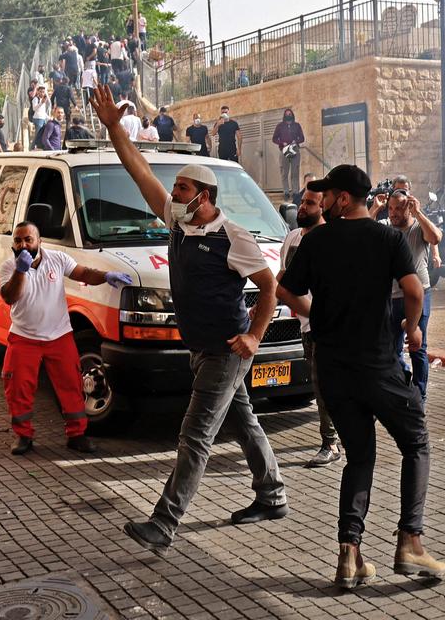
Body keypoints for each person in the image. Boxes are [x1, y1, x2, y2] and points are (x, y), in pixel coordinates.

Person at [88, 86, 289, 551]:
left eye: (181, 187)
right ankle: (272, 494)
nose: (172, 193)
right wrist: (115, 129)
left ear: (203, 196)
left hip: (226, 350)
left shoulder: (232, 236)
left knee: (194, 435)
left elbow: (270, 285)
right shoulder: (179, 222)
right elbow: (139, 174)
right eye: (175, 187)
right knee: (244, 422)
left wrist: (254, 337)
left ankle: (164, 522)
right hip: (200, 347)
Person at [276, 164, 445, 589]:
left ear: (345, 198)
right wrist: (412, 328)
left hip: (334, 371)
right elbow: (414, 291)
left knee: (360, 457)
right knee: (417, 443)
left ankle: (350, 557)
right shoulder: (387, 238)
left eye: (327, 194)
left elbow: (283, 289)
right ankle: (410, 541)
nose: (323, 201)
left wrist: (318, 313)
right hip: (378, 366)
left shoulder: (316, 241)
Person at [0, 221, 132, 454]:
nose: (23, 244)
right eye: (18, 240)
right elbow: (10, 297)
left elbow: (84, 273)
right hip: (24, 337)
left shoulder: (57, 259)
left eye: (28, 239)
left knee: (71, 385)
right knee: (17, 387)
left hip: (59, 335)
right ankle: (23, 436)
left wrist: (106, 275)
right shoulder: (9, 267)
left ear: (39, 241)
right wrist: (21, 270)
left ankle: (77, 435)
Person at [278, 188, 341, 468]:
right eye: (302, 201)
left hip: (329, 326)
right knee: (322, 387)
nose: (303, 207)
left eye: (310, 203)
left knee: (326, 385)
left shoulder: (333, 239)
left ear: (323, 207)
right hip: (306, 325)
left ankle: (331, 442)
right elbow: (281, 279)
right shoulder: (292, 238)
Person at [386, 190, 442, 403]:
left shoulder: (418, 228)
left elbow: (436, 237)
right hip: (391, 297)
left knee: (418, 347)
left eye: (399, 208)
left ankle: (420, 397)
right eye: (391, 208)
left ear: (408, 207)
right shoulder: (387, 231)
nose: (394, 213)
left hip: (419, 296)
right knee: (392, 349)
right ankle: (405, 382)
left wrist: (419, 213)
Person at [272, 109, 305, 200]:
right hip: (284, 150)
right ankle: (286, 192)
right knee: (284, 172)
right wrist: (282, 142)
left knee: (295, 172)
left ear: (292, 115)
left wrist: (296, 141)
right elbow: (274, 138)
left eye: (290, 113)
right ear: (284, 115)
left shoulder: (297, 125)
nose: (288, 115)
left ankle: (295, 192)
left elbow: (302, 138)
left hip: (294, 149)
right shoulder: (280, 126)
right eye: (287, 114)